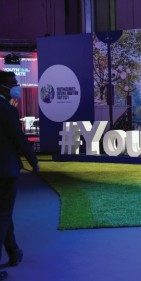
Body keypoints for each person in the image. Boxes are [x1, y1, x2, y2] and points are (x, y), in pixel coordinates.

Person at [0, 71, 39, 280]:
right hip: (5, 170)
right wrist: (33, 161)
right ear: (3, 87)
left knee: (4, 214)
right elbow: (19, 139)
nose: (17, 86)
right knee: (3, 215)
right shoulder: (7, 110)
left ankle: (14, 252)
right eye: (13, 83)